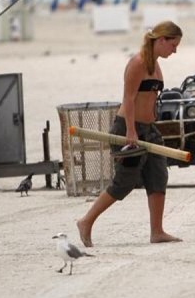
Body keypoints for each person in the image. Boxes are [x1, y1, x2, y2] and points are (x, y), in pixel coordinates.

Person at [77, 21, 183, 247]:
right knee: (125, 181)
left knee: (158, 176)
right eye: (173, 45)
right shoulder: (137, 63)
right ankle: (86, 221)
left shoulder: (155, 64)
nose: (175, 50)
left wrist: (151, 127)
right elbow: (129, 98)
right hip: (128, 127)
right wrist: (132, 132)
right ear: (161, 40)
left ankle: (157, 231)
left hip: (149, 129)